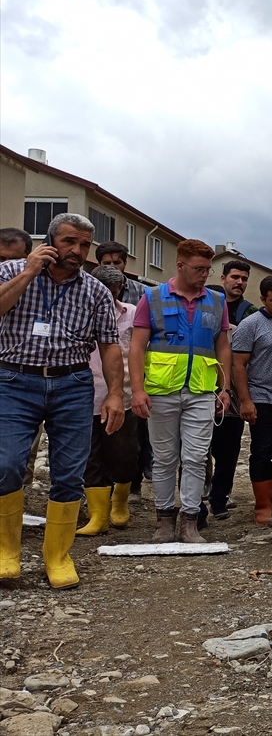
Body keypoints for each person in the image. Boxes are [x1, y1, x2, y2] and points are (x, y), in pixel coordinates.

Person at [0, 213, 124, 588]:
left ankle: (57, 556)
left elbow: (110, 347)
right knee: (6, 464)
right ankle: (7, 553)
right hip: (14, 380)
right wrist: (29, 273)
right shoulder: (11, 270)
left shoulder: (96, 291)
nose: (77, 251)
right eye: (70, 242)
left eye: (84, 245)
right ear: (50, 240)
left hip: (72, 384)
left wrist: (116, 394)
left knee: (69, 473)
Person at [129, 239, 232, 544]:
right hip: (160, 391)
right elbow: (136, 346)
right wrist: (137, 390)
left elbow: (222, 346)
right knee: (163, 459)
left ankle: (190, 521)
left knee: (196, 458)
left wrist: (223, 389)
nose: (205, 274)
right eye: (199, 269)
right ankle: (163, 520)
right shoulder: (153, 297)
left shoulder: (217, 301)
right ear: (181, 265)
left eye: (208, 269)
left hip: (201, 391)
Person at [77, 264, 141, 535]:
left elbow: (138, 350)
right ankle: (97, 515)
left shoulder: (132, 313)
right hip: (84, 394)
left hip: (121, 395)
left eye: (116, 292)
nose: (111, 297)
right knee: (91, 456)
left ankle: (121, 502)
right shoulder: (78, 311)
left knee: (124, 453)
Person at [231, 274, 272, 526]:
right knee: (262, 451)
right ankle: (263, 505)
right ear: (263, 300)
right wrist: (245, 401)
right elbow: (238, 365)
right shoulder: (251, 325)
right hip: (262, 396)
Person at [206, 259, 258, 519]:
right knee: (196, 452)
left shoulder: (250, 314)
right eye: (235, 277)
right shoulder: (202, 308)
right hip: (200, 388)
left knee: (227, 450)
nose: (239, 282)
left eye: (244, 278)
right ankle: (196, 502)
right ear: (224, 277)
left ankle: (218, 499)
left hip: (234, 393)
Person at [0, 230, 41, 487]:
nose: (3, 267)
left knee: (18, 453)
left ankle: (15, 505)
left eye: (10, 260)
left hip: (18, 380)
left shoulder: (34, 291)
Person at [95, 241, 146, 307]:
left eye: (116, 263)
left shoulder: (142, 291)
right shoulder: (91, 289)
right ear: (99, 265)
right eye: (107, 263)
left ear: (125, 263)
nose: (112, 267)